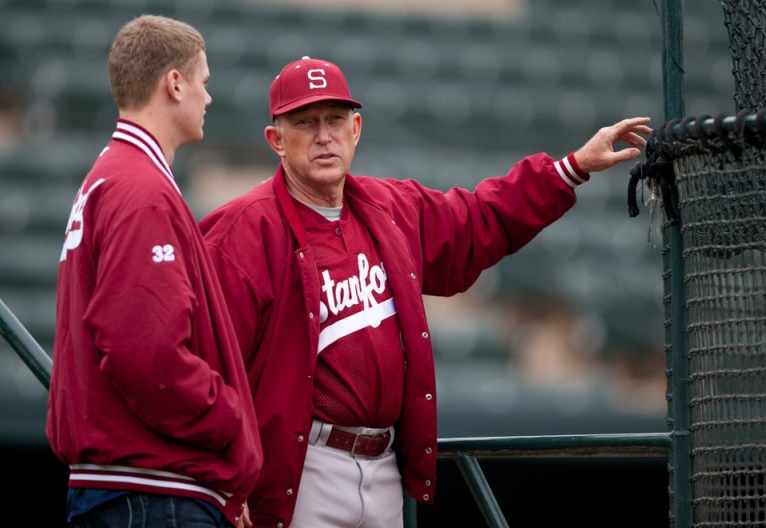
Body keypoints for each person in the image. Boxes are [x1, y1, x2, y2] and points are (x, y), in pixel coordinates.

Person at [200, 56, 652, 528]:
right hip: (304, 467)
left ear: (356, 129)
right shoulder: (241, 232)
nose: (323, 136)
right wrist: (227, 477)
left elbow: (479, 220)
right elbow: (211, 367)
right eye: (305, 122)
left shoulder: (392, 208)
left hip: (385, 467)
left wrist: (571, 168)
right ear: (276, 140)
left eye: (335, 119)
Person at [46, 15, 262, 528]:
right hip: (151, 495)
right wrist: (230, 419)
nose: (208, 98)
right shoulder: (140, 189)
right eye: (204, 83)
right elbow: (143, 350)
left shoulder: (113, 175)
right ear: (174, 83)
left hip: (133, 489)